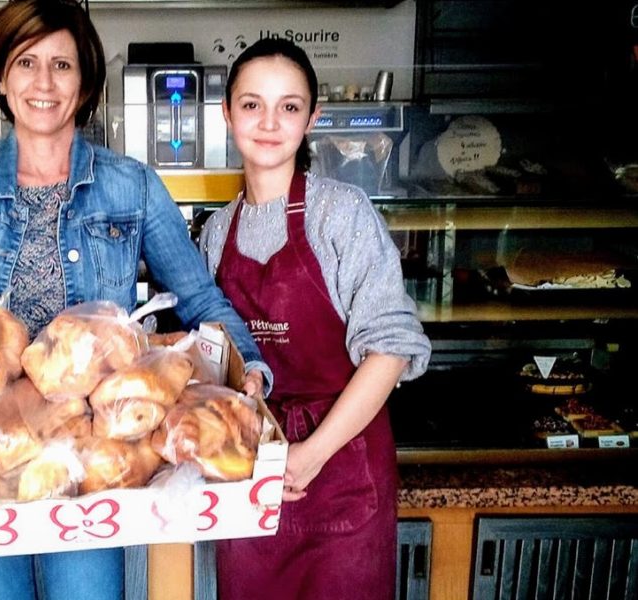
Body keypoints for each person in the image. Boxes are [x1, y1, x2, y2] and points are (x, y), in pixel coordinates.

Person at [0, 1, 270, 598]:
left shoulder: (130, 186)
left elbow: (198, 299)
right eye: (26, 62)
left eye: (62, 65)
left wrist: (250, 368)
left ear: (84, 83)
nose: (43, 82)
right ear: (1, 78)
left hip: (89, 462)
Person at [199, 38, 432, 600]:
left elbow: (390, 348)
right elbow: (215, 363)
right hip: (251, 472)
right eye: (252, 104)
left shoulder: (342, 212)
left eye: (290, 106)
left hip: (341, 468)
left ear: (312, 118)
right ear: (228, 114)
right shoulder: (215, 232)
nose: (270, 122)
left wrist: (310, 455)